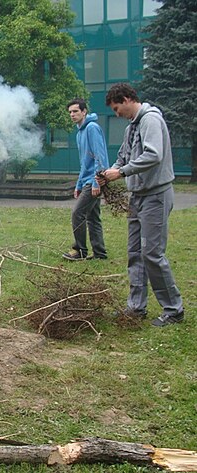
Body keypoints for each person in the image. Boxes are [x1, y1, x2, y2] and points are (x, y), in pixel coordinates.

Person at [97, 83, 184, 327]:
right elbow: (123, 157)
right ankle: (136, 307)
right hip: (137, 197)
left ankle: (174, 309)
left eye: (116, 109)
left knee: (152, 254)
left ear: (126, 99)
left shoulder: (151, 120)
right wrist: (109, 172)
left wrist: (122, 172)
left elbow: (153, 154)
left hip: (155, 195)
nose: (117, 114)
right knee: (135, 253)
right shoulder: (131, 127)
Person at [62, 98, 109, 261]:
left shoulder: (92, 128)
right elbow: (84, 162)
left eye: (75, 111)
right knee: (93, 217)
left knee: (78, 213)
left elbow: (100, 156)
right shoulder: (80, 132)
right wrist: (79, 184)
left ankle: (80, 250)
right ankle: (100, 253)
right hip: (87, 180)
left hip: (95, 180)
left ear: (84, 112)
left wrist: (97, 181)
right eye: (70, 112)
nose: (72, 114)